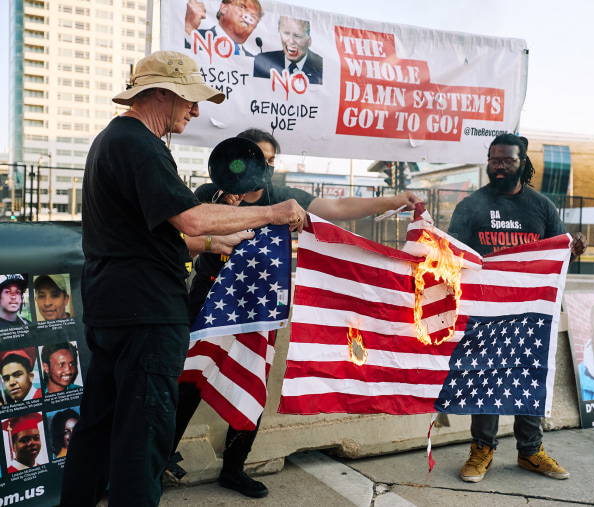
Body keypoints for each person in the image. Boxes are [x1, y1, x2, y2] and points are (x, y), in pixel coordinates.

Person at [59, 50, 307, 507]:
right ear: (162, 93)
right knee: (143, 442)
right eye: (190, 99)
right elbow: (191, 219)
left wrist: (216, 244)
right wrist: (274, 211)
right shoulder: (139, 144)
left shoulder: (112, 141)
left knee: (97, 433)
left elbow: (149, 234)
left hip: (114, 311)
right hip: (148, 317)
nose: (196, 110)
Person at [170, 128, 421, 498]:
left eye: (271, 160)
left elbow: (335, 210)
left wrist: (393, 200)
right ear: (237, 156)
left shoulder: (282, 197)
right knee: (188, 382)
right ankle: (158, 456)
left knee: (252, 385)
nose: (264, 166)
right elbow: (181, 241)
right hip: (208, 304)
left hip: (259, 309)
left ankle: (234, 468)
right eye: (257, 157)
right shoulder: (209, 194)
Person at [447, 133, 587, 483]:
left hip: (530, 314)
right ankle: (481, 450)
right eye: (494, 159)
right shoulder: (471, 206)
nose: (499, 166)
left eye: (507, 160)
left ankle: (530, 451)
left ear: (522, 163)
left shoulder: (541, 206)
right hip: (485, 314)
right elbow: (453, 255)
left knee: (529, 375)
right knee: (486, 380)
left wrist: (573, 248)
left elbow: (558, 252)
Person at [253, 16, 323, 84]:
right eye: (286, 33)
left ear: (309, 41)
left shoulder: (321, 67)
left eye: (297, 36)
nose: (291, 41)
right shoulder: (263, 61)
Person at [186, 0, 263, 56]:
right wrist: (189, 27)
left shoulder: (253, 62)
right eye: (241, 7)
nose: (247, 16)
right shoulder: (194, 38)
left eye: (254, 16)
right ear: (224, 8)